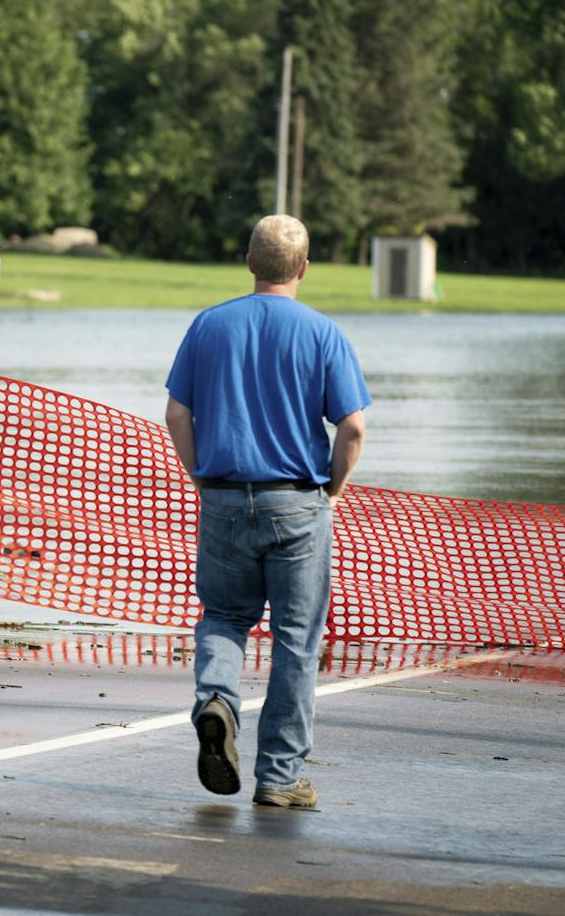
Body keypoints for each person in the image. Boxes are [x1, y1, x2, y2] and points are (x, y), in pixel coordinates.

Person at [164, 214, 369, 808]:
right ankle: (279, 779)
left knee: (225, 617)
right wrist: (331, 489)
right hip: (297, 502)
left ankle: (217, 702)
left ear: (249, 262)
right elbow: (352, 427)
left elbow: (177, 414)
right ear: (304, 268)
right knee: (297, 640)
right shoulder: (323, 332)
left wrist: (202, 474)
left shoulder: (209, 325)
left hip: (225, 496)